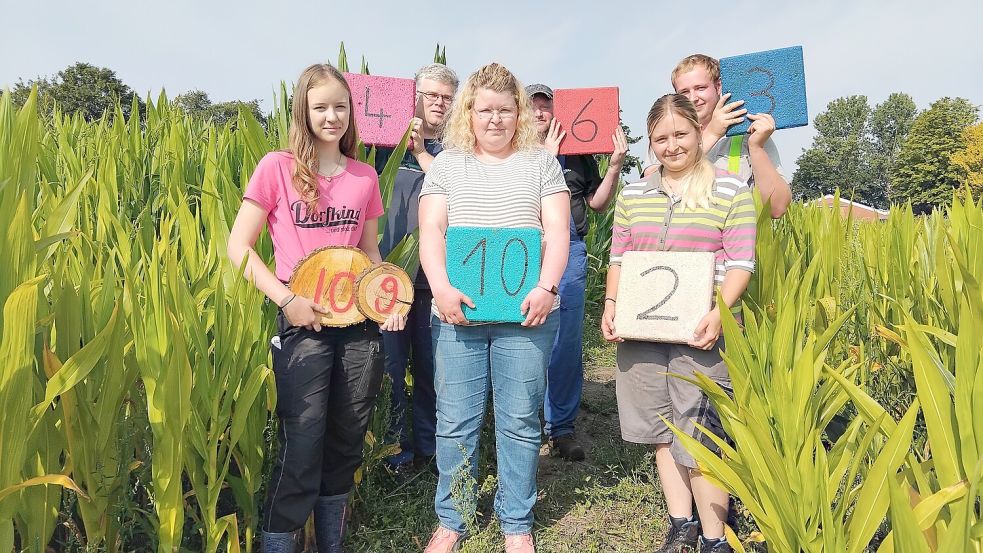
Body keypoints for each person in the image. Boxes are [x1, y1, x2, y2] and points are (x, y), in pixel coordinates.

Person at [227, 63, 406, 553]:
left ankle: (332, 543)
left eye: (341, 107)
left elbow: (371, 253)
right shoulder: (277, 168)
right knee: (302, 443)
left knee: (347, 441)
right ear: (303, 111)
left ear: (352, 113)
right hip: (302, 323)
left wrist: (388, 299)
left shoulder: (365, 176)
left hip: (358, 327)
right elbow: (238, 248)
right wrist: (287, 299)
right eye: (321, 106)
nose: (332, 116)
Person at [418, 63, 570, 553]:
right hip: (457, 316)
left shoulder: (541, 163)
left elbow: (559, 232)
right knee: (456, 419)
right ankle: (453, 518)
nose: (496, 120)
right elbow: (432, 233)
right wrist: (440, 287)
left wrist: (547, 286)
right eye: (485, 110)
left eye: (505, 110)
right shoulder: (446, 165)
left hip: (526, 315)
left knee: (520, 419)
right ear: (470, 112)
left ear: (519, 113)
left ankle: (517, 523)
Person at [602, 94, 756, 553]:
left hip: (700, 330)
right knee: (659, 429)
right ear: (650, 143)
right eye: (660, 138)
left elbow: (741, 263)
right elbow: (619, 258)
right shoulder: (633, 194)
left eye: (680, 134)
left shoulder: (730, 190)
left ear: (698, 131)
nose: (671, 146)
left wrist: (718, 312)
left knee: (702, 434)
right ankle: (680, 523)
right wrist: (611, 304)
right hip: (642, 331)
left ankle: (714, 539)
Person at [525, 83, 628, 461]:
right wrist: (546, 160)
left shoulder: (578, 154)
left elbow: (598, 204)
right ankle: (524, 427)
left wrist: (614, 164)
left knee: (565, 344)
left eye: (546, 107)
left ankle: (561, 428)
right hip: (523, 250)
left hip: (569, 252)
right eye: (532, 106)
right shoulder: (511, 152)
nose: (540, 113)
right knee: (521, 340)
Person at [375, 63, 459, 476]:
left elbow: (459, 194)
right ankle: (396, 452)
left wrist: (421, 153)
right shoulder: (379, 145)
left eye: (446, 96)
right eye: (431, 95)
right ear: (413, 96)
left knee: (432, 369)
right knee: (390, 370)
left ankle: (430, 447)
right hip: (386, 277)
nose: (439, 103)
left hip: (434, 280)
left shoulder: (456, 152)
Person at [643, 54, 791, 218]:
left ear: (718, 86)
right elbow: (649, 190)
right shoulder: (666, 135)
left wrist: (756, 148)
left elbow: (777, 208)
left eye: (700, 88)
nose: (693, 98)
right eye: (684, 92)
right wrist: (712, 133)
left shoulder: (750, 134)